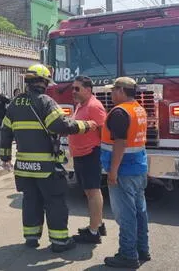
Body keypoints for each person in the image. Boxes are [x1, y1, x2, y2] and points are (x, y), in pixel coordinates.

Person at [0, 64, 98, 253]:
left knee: (30, 200)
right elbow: (59, 125)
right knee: (54, 202)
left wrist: (5, 157)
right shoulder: (46, 101)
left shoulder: (14, 103)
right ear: (43, 82)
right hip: (45, 166)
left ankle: (31, 237)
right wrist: (86, 125)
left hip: (23, 166)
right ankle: (60, 242)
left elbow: (4, 131)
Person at [102, 77, 150, 268]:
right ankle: (142, 249)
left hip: (124, 171)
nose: (111, 94)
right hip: (138, 168)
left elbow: (120, 144)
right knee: (140, 212)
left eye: (113, 90)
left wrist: (113, 172)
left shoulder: (120, 112)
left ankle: (128, 255)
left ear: (121, 90)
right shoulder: (138, 109)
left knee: (126, 215)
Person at [69, 76, 107, 244]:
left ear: (88, 90)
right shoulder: (80, 105)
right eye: (73, 88)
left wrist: (96, 149)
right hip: (80, 154)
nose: (73, 92)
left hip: (90, 153)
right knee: (88, 191)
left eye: (77, 88)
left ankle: (93, 232)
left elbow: (103, 132)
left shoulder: (94, 106)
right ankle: (97, 224)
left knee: (93, 191)